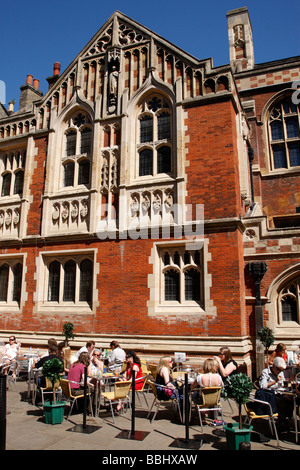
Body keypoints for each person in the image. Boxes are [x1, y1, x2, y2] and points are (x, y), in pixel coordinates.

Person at [259, 356, 294, 427]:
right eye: (278, 369)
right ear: (274, 366)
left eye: (281, 370)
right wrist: (275, 381)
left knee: (291, 399)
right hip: (268, 395)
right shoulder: (265, 372)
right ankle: (281, 421)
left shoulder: (280, 373)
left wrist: (288, 386)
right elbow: (263, 386)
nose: (279, 372)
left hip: (279, 393)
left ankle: (287, 419)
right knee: (281, 402)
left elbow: (281, 386)